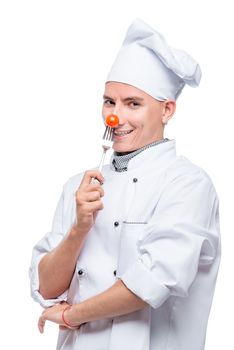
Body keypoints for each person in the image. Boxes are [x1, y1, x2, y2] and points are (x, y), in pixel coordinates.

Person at [29, 18, 221, 350]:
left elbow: (150, 282)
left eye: (133, 103)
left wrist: (72, 315)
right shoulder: (79, 186)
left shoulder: (188, 184)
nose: (115, 116)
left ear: (167, 110)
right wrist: (79, 228)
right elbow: (47, 288)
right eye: (109, 101)